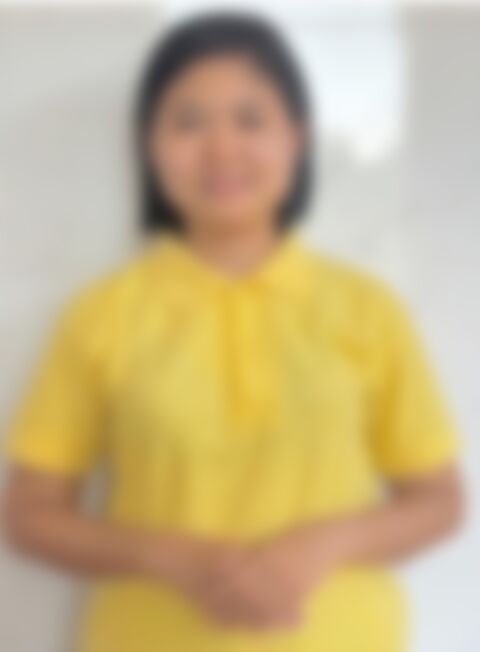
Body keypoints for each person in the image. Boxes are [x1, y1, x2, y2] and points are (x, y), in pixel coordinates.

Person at [2, 11, 463, 652]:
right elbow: (30, 515)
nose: (221, 149)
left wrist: (319, 547)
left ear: (298, 137)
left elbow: (439, 500)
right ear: (149, 144)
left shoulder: (367, 309)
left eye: (250, 120)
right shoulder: (99, 316)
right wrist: (171, 557)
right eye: (189, 122)